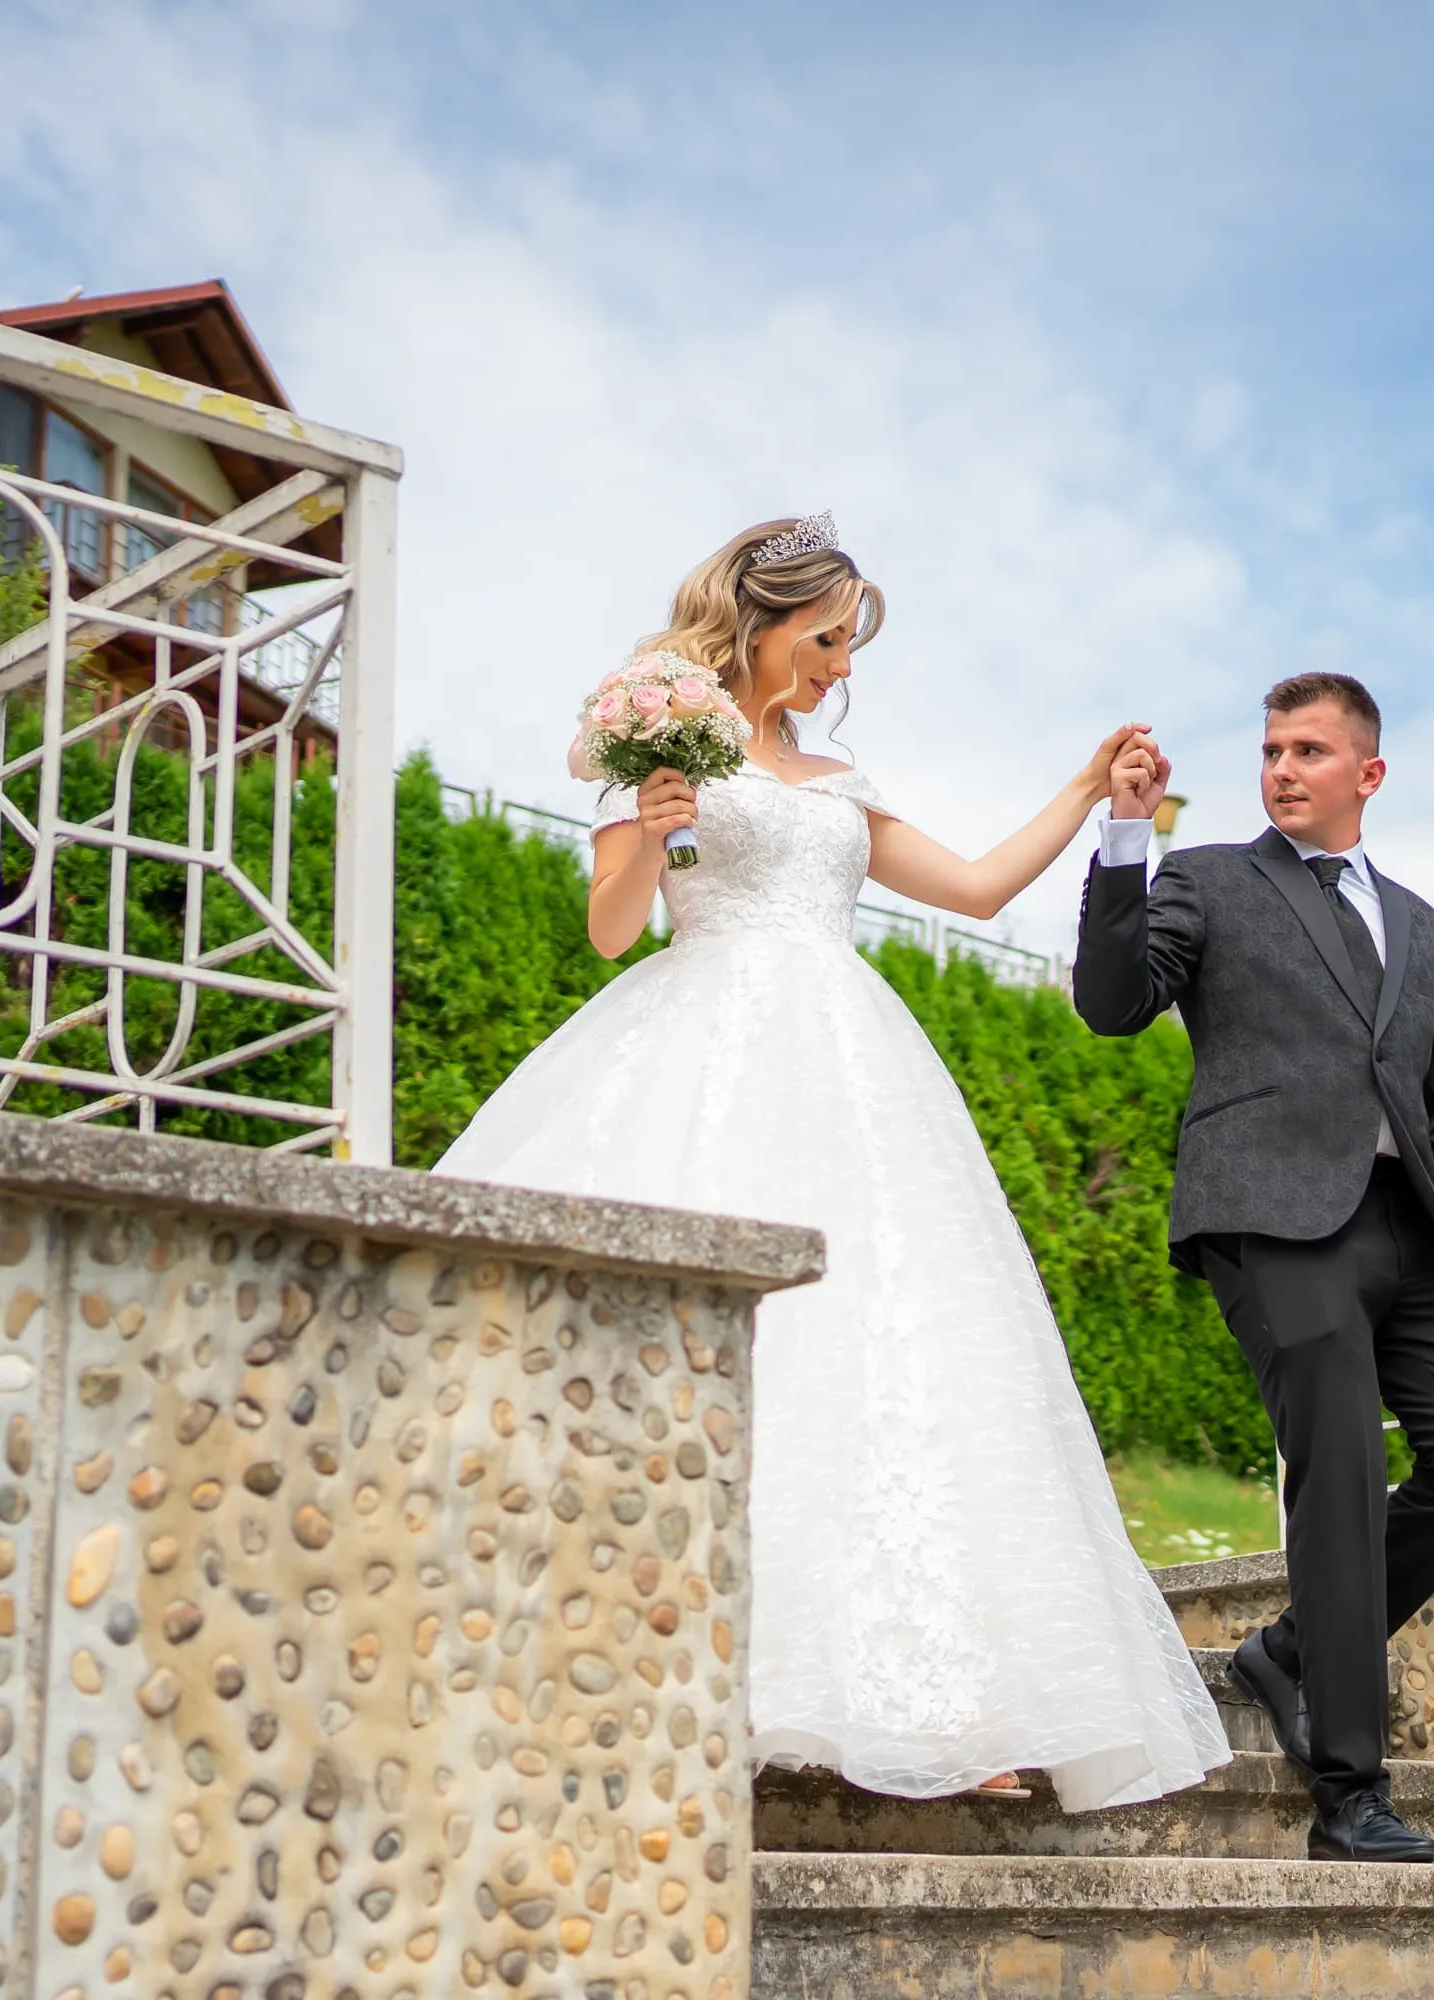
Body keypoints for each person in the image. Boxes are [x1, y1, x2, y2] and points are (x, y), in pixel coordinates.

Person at [435, 514, 1229, 1812]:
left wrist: (1088, 792)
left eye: (850, 646)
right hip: (699, 1049)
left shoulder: (845, 778)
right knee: (686, 1364)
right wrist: (645, 823)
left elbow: (972, 890)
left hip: (855, 1067)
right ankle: (662, 1681)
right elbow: (606, 931)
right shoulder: (660, 743)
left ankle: (936, 1701)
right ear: (757, 622)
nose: (836, 667)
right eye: (823, 639)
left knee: (889, 1351)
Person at [1071, 671, 1434, 1863]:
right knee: (1338, 1462)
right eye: (1271, 747)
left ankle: (1287, 1650)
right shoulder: (1210, 877)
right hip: (1272, 1215)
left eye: (1310, 750)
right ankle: (1351, 1790)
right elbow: (1114, 1001)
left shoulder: (1422, 925)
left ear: (1367, 773)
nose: (1282, 767)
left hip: (1413, 1231)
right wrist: (1124, 835)